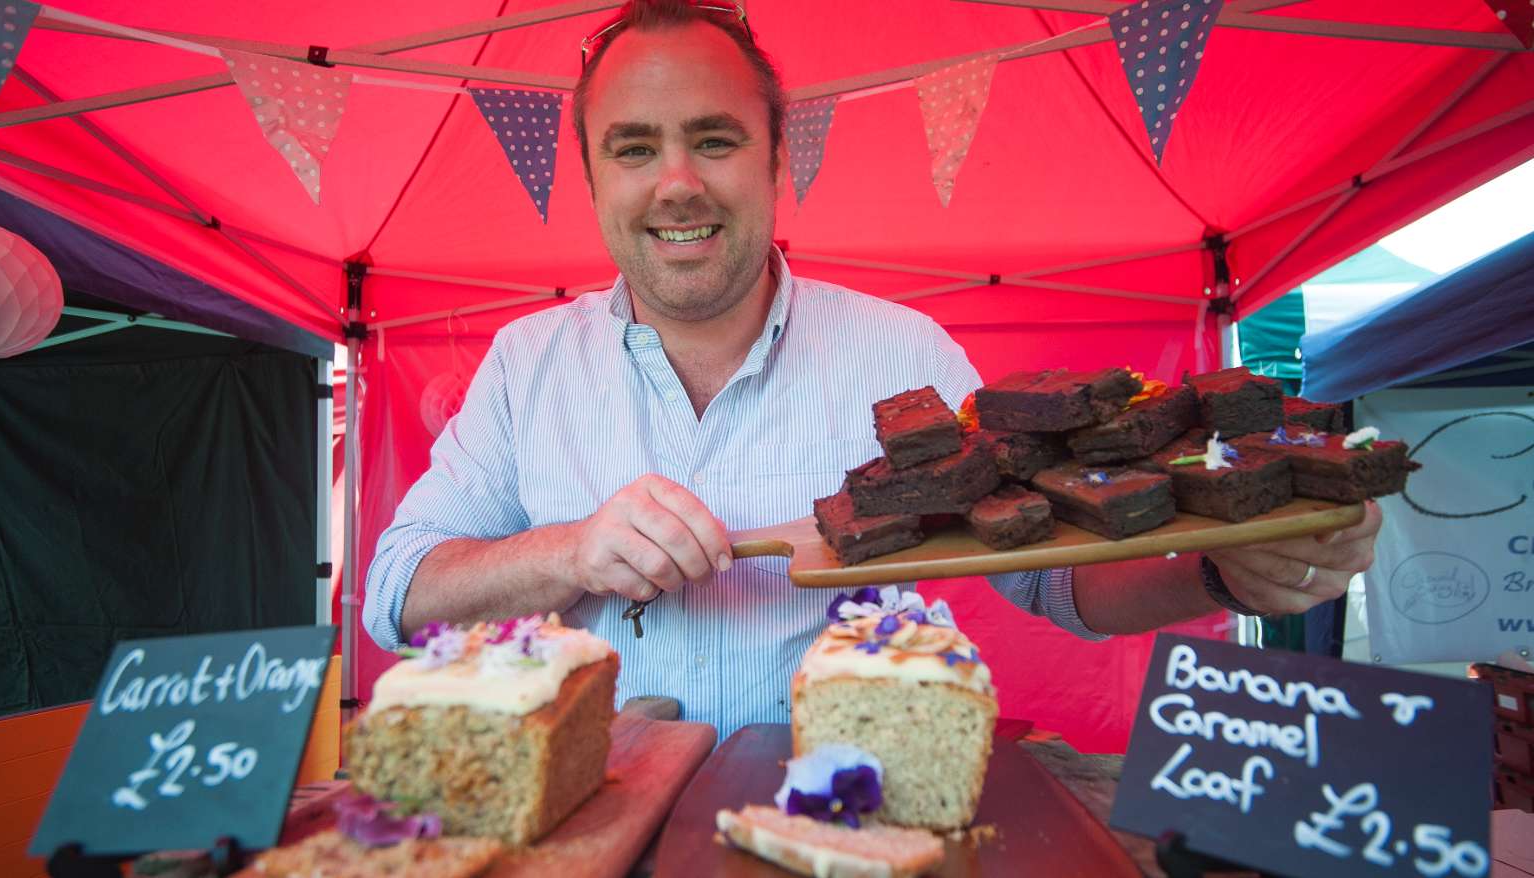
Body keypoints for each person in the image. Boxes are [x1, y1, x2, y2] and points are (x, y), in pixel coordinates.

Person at [364, 0, 1381, 739]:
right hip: (596, 828)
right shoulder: (527, 366)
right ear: (591, 178)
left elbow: (1054, 577)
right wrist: (570, 551)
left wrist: (1218, 566)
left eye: (714, 139)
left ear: (776, 162)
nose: (676, 182)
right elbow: (392, 591)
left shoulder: (903, 357)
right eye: (633, 149)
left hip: (852, 823)